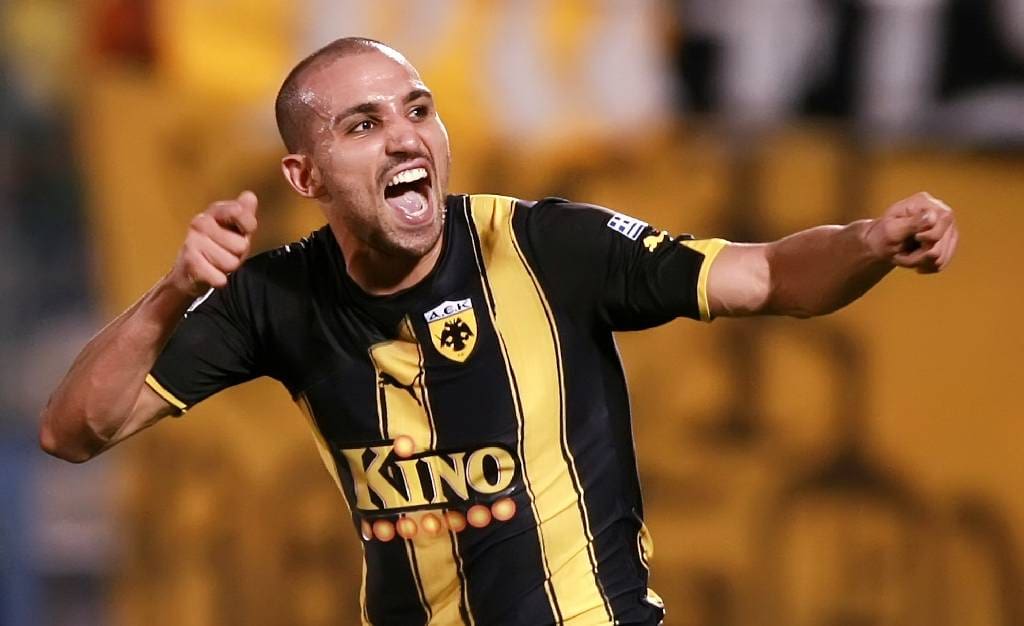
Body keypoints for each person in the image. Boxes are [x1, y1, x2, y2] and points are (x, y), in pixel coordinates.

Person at [39, 37, 958, 625]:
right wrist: (173, 291)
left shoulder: (545, 247)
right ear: (305, 176)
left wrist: (869, 242)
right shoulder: (273, 297)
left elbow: (766, 277)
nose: (406, 138)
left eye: (419, 110)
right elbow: (75, 430)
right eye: (363, 125)